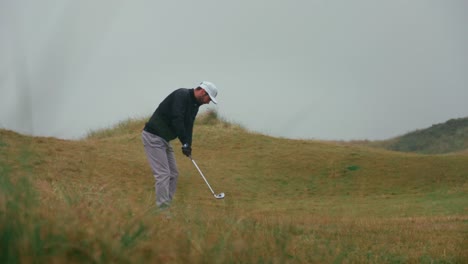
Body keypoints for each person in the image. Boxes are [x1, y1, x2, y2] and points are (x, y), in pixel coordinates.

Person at [141, 81, 218, 209]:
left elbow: (189, 125)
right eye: (208, 98)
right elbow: (177, 119)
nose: (208, 102)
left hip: (164, 140)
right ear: (203, 92)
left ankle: (166, 206)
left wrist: (188, 144)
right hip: (153, 136)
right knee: (163, 174)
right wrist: (184, 142)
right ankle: (162, 210)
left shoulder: (195, 104)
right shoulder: (181, 95)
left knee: (174, 174)